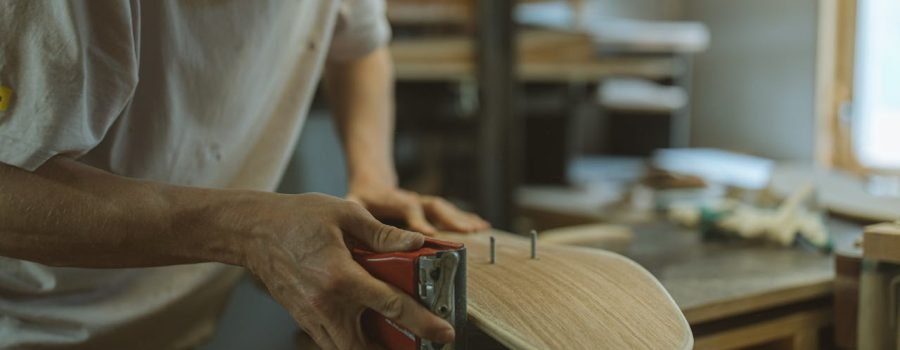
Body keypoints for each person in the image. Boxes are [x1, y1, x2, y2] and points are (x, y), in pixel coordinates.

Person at [0, 1, 489, 349]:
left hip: (179, 326)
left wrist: (373, 177)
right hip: (29, 327)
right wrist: (247, 230)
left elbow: (361, 43)